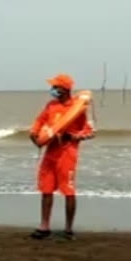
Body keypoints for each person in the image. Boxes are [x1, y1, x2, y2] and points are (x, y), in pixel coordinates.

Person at [28, 74, 95, 239]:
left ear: (64, 89)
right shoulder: (51, 105)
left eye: (56, 87)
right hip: (50, 152)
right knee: (46, 189)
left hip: (67, 153)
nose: (53, 90)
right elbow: (39, 120)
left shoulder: (77, 109)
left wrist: (72, 136)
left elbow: (89, 132)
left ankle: (68, 229)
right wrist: (34, 134)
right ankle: (44, 227)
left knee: (68, 191)